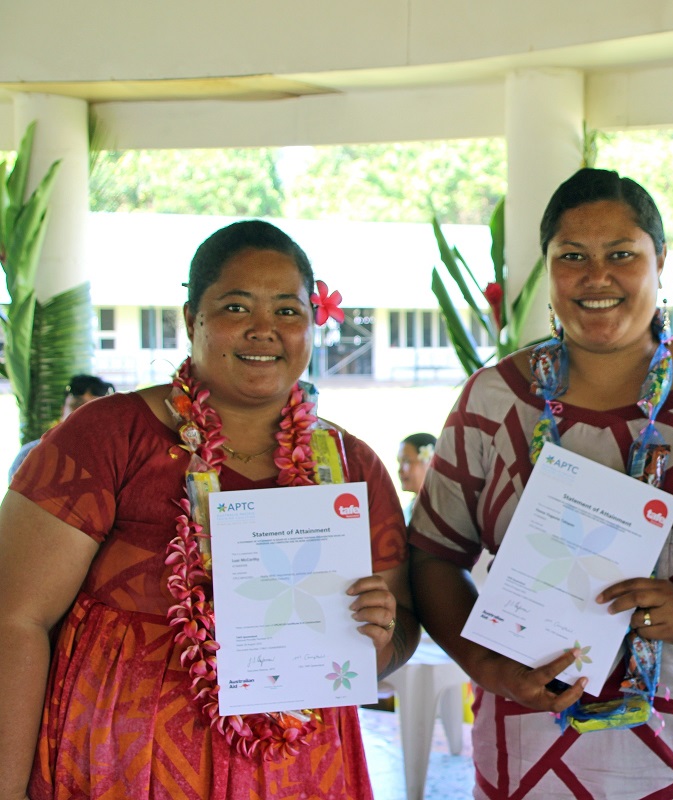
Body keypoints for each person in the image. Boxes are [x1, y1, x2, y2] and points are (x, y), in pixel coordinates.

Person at [408, 167, 673, 799]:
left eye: (622, 254)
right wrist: (487, 666)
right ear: (548, 267)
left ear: (660, 261)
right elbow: (432, 553)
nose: (597, 277)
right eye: (572, 257)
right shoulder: (493, 400)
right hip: (526, 735)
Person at [0, 220, 420, 800]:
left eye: (288, 311)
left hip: (296, 773)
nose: (263, 330)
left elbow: (393, 642)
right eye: (235, 306)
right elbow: (15, 620)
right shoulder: (106, 438)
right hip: (119, 767)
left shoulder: (351, 465)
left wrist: (378, 635)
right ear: (190, 318)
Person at [8, 374, 115, 481]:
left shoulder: (117, 462)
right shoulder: (30, 456)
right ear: (63, 410)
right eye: (77, 404)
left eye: (94, 408)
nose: (84, 414)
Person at [397, 431, 436, 521]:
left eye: (406, 461)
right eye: (399, 462)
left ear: (430, 463)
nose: (400, 470)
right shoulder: (406, 511)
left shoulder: (445, 508)